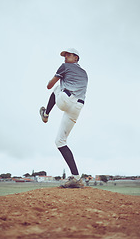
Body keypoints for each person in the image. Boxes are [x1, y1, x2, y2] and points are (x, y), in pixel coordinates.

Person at [39, 48, 88, 188]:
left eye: (68, 54)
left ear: (76, 57)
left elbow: (49, 86)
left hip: (65, 100)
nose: (65, 57)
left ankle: (46, 114)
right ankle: (77, 178)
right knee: (60, 141)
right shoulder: (85, 73)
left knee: (55, 88)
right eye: (64, 55)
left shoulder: (65, 66)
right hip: (77, 107)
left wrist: (56, 78)